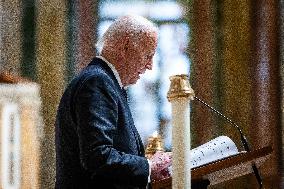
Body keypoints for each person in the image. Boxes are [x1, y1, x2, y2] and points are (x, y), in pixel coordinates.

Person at [55, 15, 171, 189]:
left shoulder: (105, 81)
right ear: (125, 47)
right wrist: (149, 166)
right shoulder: (97, 82)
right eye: (148, 55)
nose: (150, 65)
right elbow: (98, 156)